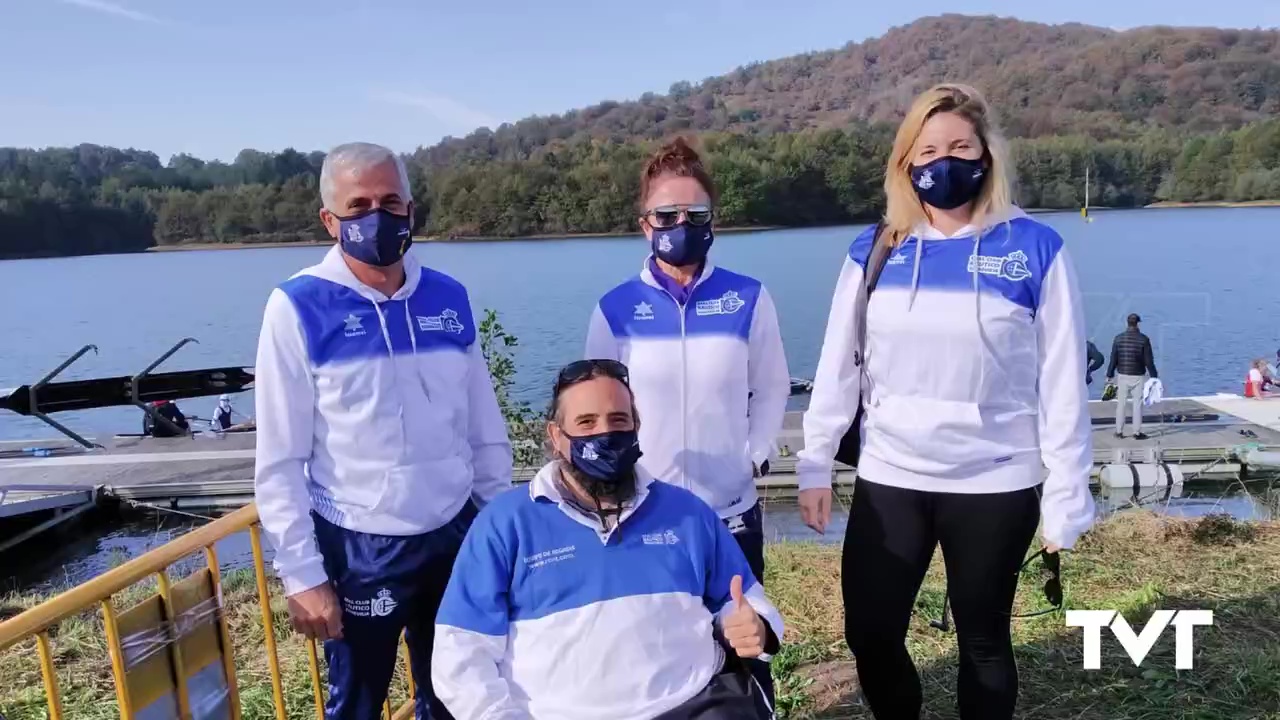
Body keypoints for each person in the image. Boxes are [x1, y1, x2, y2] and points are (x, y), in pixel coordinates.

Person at [795, 84, 1094, 720]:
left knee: (983, 641)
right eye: (927, 149)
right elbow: (838, 363)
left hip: (996, 478)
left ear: (986, 155)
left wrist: (1068, 494)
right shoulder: (877, 248)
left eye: (960, 146)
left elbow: (1063, 383)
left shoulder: (1034, 248)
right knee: (871, 636)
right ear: (906, 163)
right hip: (891, 475)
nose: (944, 161)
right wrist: (817, 460)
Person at [253, 142, 513, 720]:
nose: (378, 215)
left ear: (412, 209)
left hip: (454, 534)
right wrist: (301, 574)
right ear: (330, 220)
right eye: (359, 204)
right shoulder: (298, 307)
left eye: (391, 201)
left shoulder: (449, 296)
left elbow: (484, 427)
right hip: (360, 544)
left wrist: (498, 528)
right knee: (358, 705)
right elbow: (279, 459)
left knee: (459, 694)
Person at [432, 359, 784, 720]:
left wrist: (755, 626)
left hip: (695, 703)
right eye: (586, 422)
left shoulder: (689, 514)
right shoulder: (505, 525)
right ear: (555, 436)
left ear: (636, 428)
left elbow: (744, 601)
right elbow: (460, 653)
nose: (605, 434)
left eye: (619, 420)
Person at [583, 136, 791, 703]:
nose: (681, 223)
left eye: (694, 214)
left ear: (712, 219)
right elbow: (594, 409)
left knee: (746, 642)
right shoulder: (615, 308)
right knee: (653, 648)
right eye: (666, 214)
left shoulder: (748, 298)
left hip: (729, 508)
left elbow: (772, 386)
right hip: (643, 510)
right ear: (644, 224)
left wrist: (753, 453)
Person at [1105, 313, 1159, 440]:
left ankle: (1119, 431)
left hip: (1122, 375)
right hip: (1138, 375)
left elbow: (1113, 358)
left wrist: (1109, 374)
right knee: (1137, 404)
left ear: (1127, 323)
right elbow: (1148, 361)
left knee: (1121, 404)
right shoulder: (1144, 339)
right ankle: (1137, 432)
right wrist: (1154, 376)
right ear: (1138, 323)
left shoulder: (1118, 338)